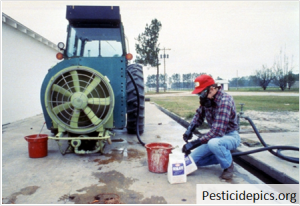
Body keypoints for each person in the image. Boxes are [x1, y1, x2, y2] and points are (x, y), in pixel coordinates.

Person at [182, 74, 240, 180]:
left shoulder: (225, 101)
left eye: (202, 93)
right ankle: (221, 155)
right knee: (193, 161)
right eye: (199, 94)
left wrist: (194, 143)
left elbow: (217, 132)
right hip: (215, 138)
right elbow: (199, 115)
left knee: (213, 143)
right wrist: (190, 129)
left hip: (230, 136)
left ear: (212, 89)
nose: (200, 96)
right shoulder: (208, 100)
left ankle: (228, 166)